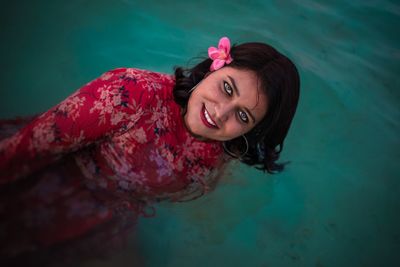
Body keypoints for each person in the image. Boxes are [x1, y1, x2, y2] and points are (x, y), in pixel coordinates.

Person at [0, 37, 300, 265]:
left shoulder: (223, 147)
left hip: (108, 216)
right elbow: (26, 149)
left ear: (251, 131)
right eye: (227, 88)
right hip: (42, 179)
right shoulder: (128, 94)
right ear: (213, 68)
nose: (221, 114)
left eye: (243, 116)